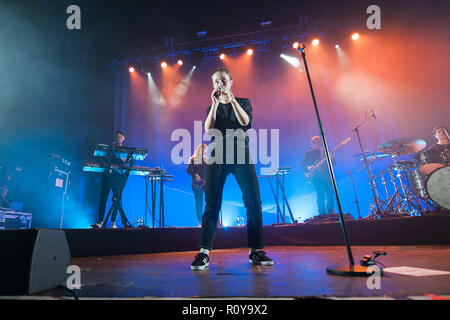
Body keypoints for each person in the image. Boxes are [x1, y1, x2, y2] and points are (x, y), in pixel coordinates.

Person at [190, 68, 273, 271]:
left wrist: (232, 100)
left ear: (230, 81)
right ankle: (204, 253)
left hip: (241, 154)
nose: (220, 84)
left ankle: (256, 250)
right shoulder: (212, 107)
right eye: (216, 81)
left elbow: (246, 122)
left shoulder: (244, 102)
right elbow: (208, 129)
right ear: (213, 85)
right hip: (217, 155)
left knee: (253, 200)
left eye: (223, 80)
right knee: (212, 202)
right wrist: (217, 103)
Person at [92, 130, 127, 229]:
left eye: (120, 137)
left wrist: (121, 161)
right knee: (103, 198)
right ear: (115, 138)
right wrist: (120, 160)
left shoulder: (125, 151)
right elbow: (107, 157)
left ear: (123, 139)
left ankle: (113, 222)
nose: (118, 138)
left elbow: (126, 162)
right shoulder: (110, 148)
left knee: (116, 200)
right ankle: (100, 221)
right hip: (108, 175)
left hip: (118, 176)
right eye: (117, 137)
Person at [301, 136, 336, 216]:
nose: (317, 144)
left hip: (327, 177)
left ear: (321, 143)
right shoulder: (309, 154)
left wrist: (332, 158)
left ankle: (331, 214)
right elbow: (301, 165)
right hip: (316, 178)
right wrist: (308, 167)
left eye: (318, 142)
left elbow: (333, 164)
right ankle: (322, 215)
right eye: (315, 142)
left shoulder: (326, 152)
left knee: (330, 194)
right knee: (320, 195)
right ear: (312, 144)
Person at [187, 144, 208, 226]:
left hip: (205, 182)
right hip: (196, 184)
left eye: (205, 150)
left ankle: (211, 219)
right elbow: (188, 170)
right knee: (199, 202)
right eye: (203, 149)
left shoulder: (206, 159)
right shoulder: (193, 159)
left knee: (209, 200)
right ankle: (200, 221)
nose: (204, 151)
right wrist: (195, 174)